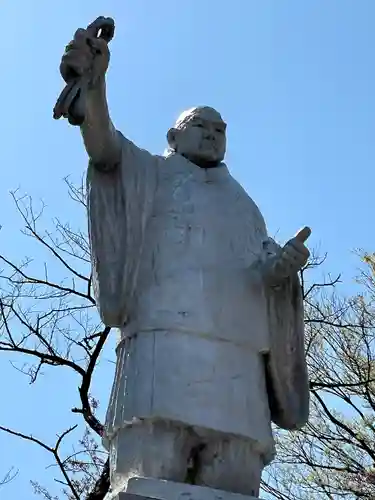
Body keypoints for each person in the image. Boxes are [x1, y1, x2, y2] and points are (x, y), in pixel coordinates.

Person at [59, 24, 311, 499]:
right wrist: (94, 86)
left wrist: (283, 270)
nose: (213, 135)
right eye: (202, 125)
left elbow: (263, 272)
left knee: (234, 473)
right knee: (151, 465)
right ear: (174, 135)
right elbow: (105, 148)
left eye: (220, 130)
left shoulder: (245, 205)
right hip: (163, 341)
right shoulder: (151, 172)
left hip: (237, 354)